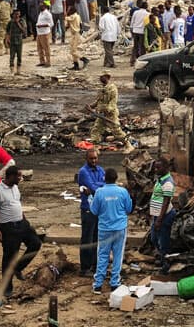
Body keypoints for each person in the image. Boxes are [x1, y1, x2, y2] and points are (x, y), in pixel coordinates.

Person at [0, 165, 42, 304]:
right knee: (9, 257)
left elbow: (17, 204)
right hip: (8, 227)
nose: (20, 178)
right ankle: (7, 287)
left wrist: (24, 219)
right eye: (18, 176)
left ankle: (18, 268)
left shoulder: (15, 187)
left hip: (21, 223)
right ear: (11, 176)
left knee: (35, 243)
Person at [90, 167, 132, 293]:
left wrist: (90, 199)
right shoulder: (123, 192)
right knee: (118, 256)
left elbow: (94, 211)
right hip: (120, 228)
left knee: (102, 255)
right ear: (116, 178)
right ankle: (114, 283)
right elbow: (129, 209)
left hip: (104, 229)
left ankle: (98, 284)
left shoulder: (99, 192)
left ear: (104, 178)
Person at [76, 149, 105, 277]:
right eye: (91, 159)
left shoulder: (100, 170)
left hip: (98, 208)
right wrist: (97, 187)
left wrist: (95, 186)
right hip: (88, 208)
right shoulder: (83, 172)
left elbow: (103, 185)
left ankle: (94, 265)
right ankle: (84, 268)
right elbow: (95, 188)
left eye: (95, 158)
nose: (93, 161)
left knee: (96, 238)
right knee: (87, 239)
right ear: (86, 159)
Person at [148, 158, 176, 274]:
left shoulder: (168, 182)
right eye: (155, 167)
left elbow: (166, 202)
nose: (155, 169)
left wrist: (159, 219)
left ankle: (166, 266)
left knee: (163, 241)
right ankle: (163, 258)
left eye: (158, 167)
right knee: (154, 239)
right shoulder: (160, 180)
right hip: (158, 216)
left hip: (164, 216)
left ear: (166, 168)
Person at [89, 73, 126, 142]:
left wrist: (105, 109)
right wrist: (91, 106)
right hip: (101, 115)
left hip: (110, 115)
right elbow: (99, 101)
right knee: (96, 129)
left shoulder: (112, 88)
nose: (100, 78)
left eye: (102, 77)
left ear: (107, 77)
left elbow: (113, 102)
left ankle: (128, 144)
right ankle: (94, 144)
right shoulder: (102, 88)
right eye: (100, 77)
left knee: (117, 131)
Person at [130, 0, 149, 66]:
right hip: (142, 31)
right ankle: (142, 60)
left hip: (135, 30)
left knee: (135, 46)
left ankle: (132, 61)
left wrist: (132, 29)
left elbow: (132, 22)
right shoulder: (147, 14)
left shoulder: (136, 12)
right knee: (142, 47)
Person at [6, 10, 26, 75]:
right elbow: (7, 31)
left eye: (18, 14)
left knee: (19, 56)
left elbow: (23, 31)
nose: (17, 16)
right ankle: (12, 70)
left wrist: (18, 23)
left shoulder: (22, 21)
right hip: (12, 40)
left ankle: (18, 70)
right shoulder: (10, 22)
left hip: (19, 40)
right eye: (16, 14)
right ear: (13, 15)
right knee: (12, 56)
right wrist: (7, 39)